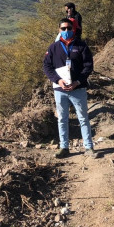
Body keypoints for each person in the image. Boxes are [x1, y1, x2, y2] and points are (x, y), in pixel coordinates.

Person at [43, 18, 99, 159]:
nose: (66, 31)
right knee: (62, 119)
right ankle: (64, 147)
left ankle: (89, 147)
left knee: (83, 118)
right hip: (60, 90)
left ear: (73, 29)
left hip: (78, 89)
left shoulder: (81, 46)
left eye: (69, 28)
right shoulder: (53, 47)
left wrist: (78, 81)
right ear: (59, 30)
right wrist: (58, 80)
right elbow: (47, 66)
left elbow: (88, 65)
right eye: (63, 28)